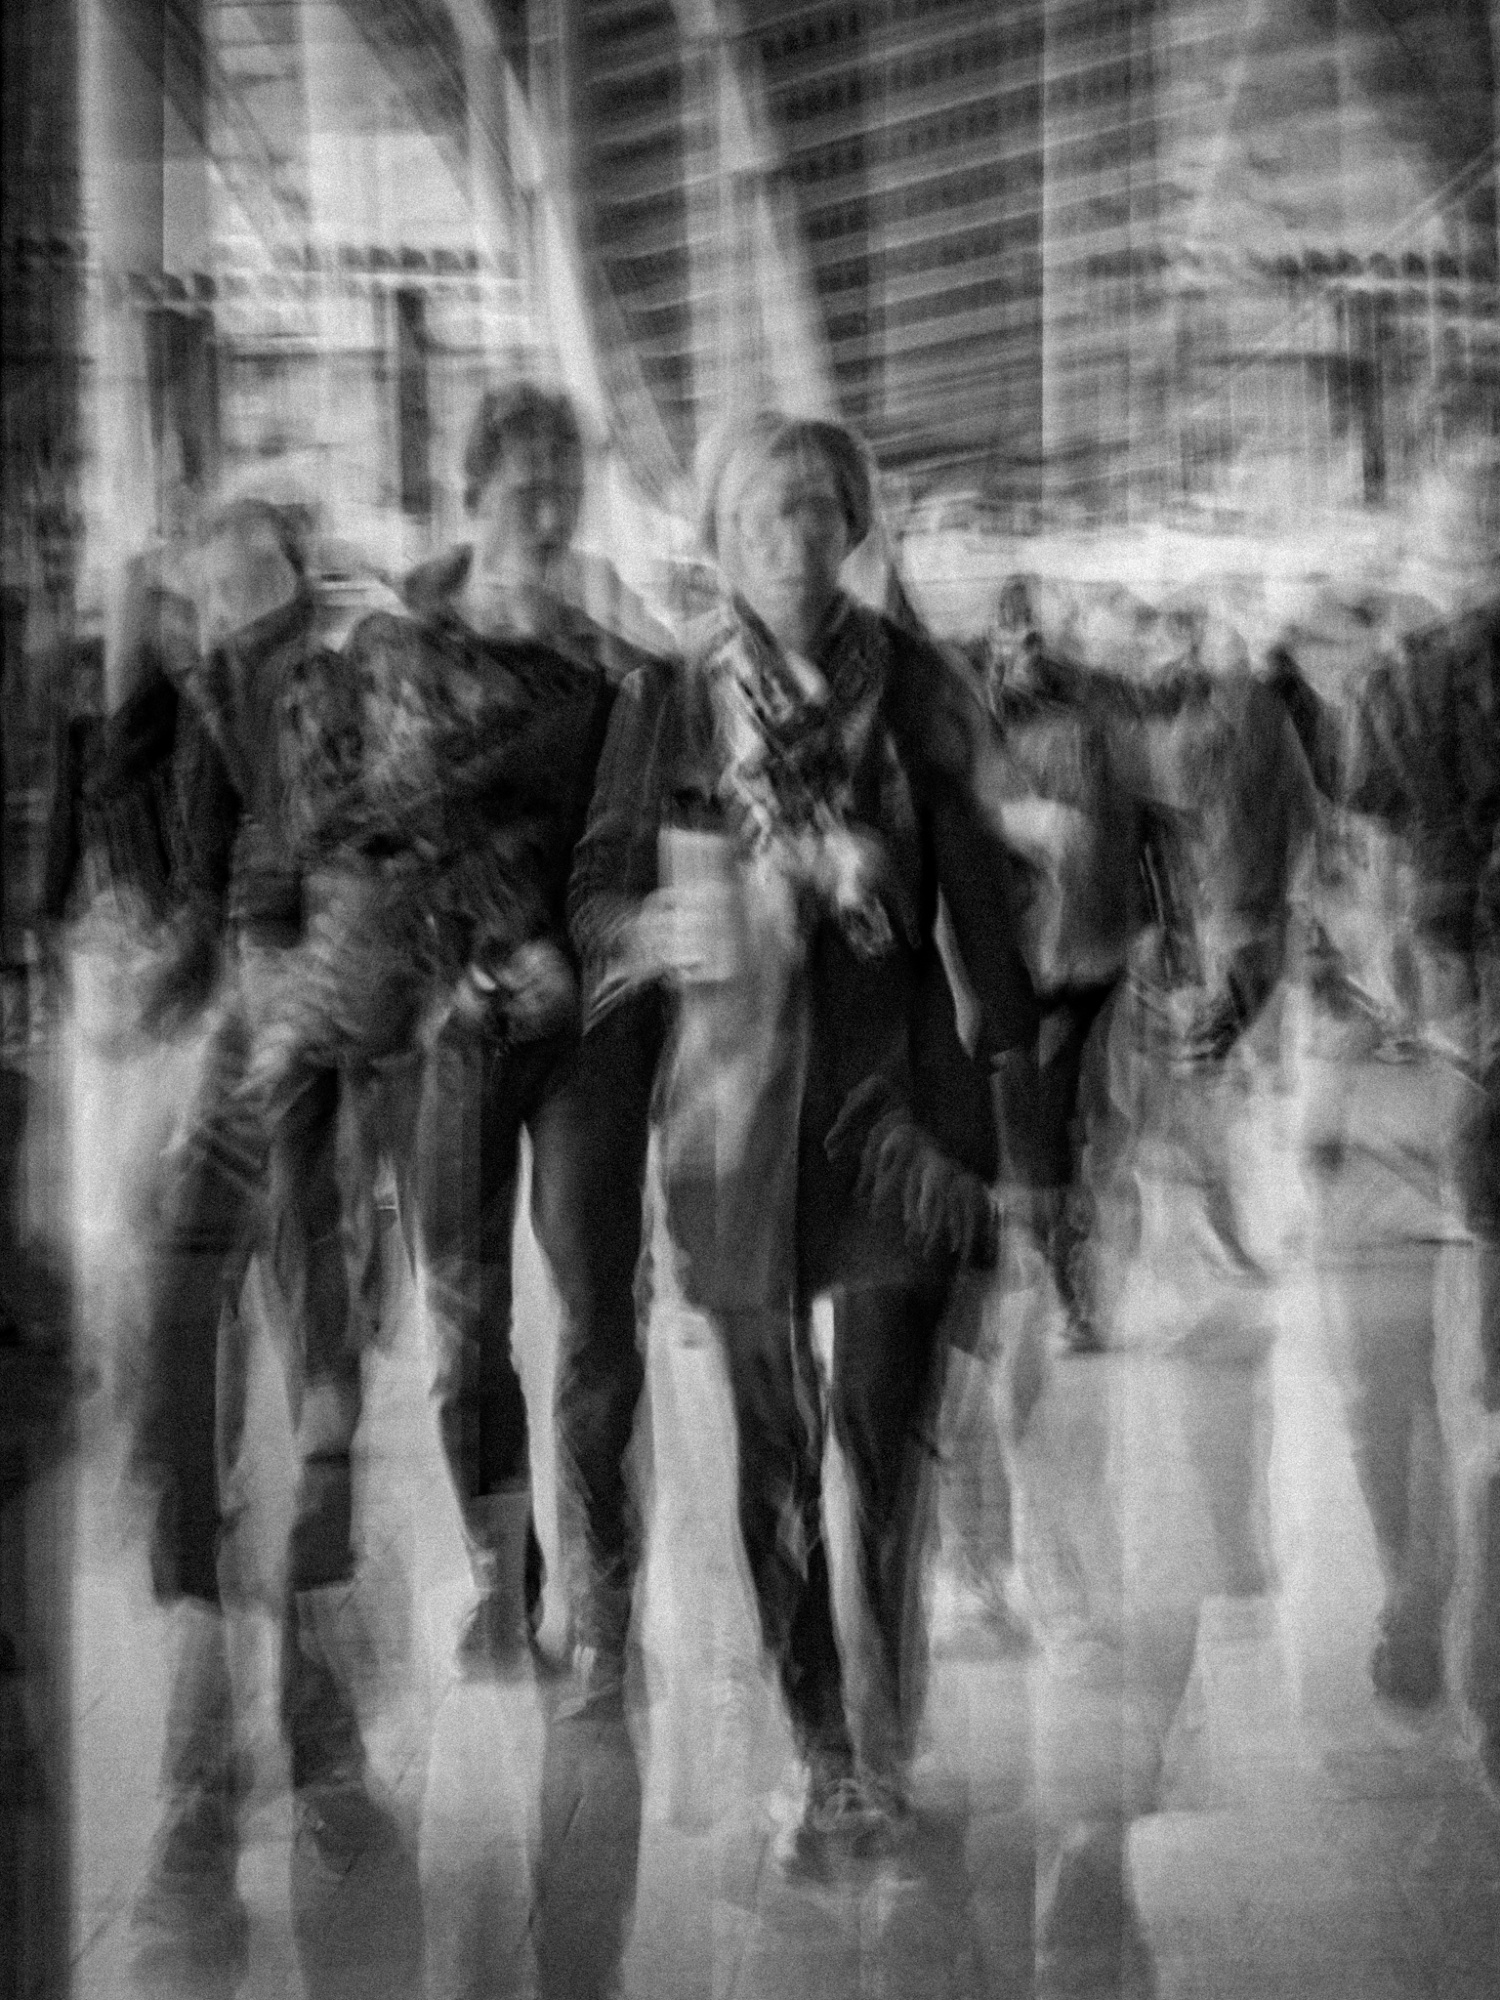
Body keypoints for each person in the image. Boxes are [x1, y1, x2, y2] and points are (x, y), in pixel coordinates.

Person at [569, 410, 1035, 1859]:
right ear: (720, 536)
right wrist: (657, 926)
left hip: (893, 1116)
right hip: (731, 1122)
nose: (791, 535)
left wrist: (1024, 1134)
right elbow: (595, 893)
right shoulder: (668, 701)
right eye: (762, 511)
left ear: (854, 526)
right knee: (775, 1451)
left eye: (818, 507)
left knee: (882, 1443)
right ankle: (821, 1749)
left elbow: (989, 919)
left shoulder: (920, 688)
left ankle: (883, 1738)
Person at [121, 496, 411, 1964]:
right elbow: (190, 906)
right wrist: (180, 976)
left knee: (316, 1417)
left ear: (296, 574)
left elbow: (370, 889)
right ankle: (210, 1774)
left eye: (256, 573)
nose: (232, 600)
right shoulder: (198, 719)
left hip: (312, 1090)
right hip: (232, 1091)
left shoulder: (334, 691)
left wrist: (280, 1011)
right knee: (194, 1396)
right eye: (209, 584)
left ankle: (317, 1745)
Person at [387, 383, 667, 1690]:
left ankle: (603, 1599)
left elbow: (652, 818)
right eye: (524, 487)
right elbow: (391, 822)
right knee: (463, 1327)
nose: (548, 512)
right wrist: (496, 942)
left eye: (566, 486)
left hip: (595, 1019)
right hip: (456, 1019)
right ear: (475, 491)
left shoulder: (615, 646)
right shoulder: (403, 645)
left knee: (599, 1305)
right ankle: (505, 1582)